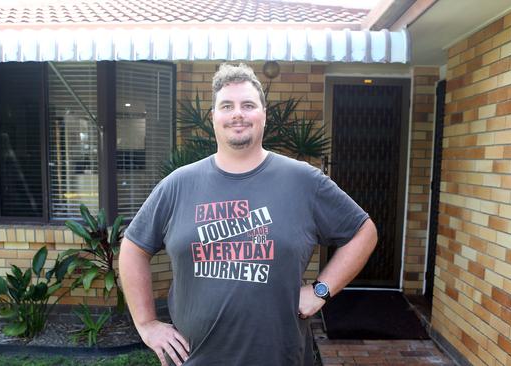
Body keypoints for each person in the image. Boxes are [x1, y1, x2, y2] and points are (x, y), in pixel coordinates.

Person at [119, 63, 378, 366]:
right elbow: (133, 247)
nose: (237, 114)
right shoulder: (179, 184)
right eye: (226, 106)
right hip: (195, 358)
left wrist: (320, 291)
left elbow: (364, 232)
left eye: (248, 105)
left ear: (263, 115)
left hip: (281, 356)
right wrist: (147, 323)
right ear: (213, 117)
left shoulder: (303, 181)